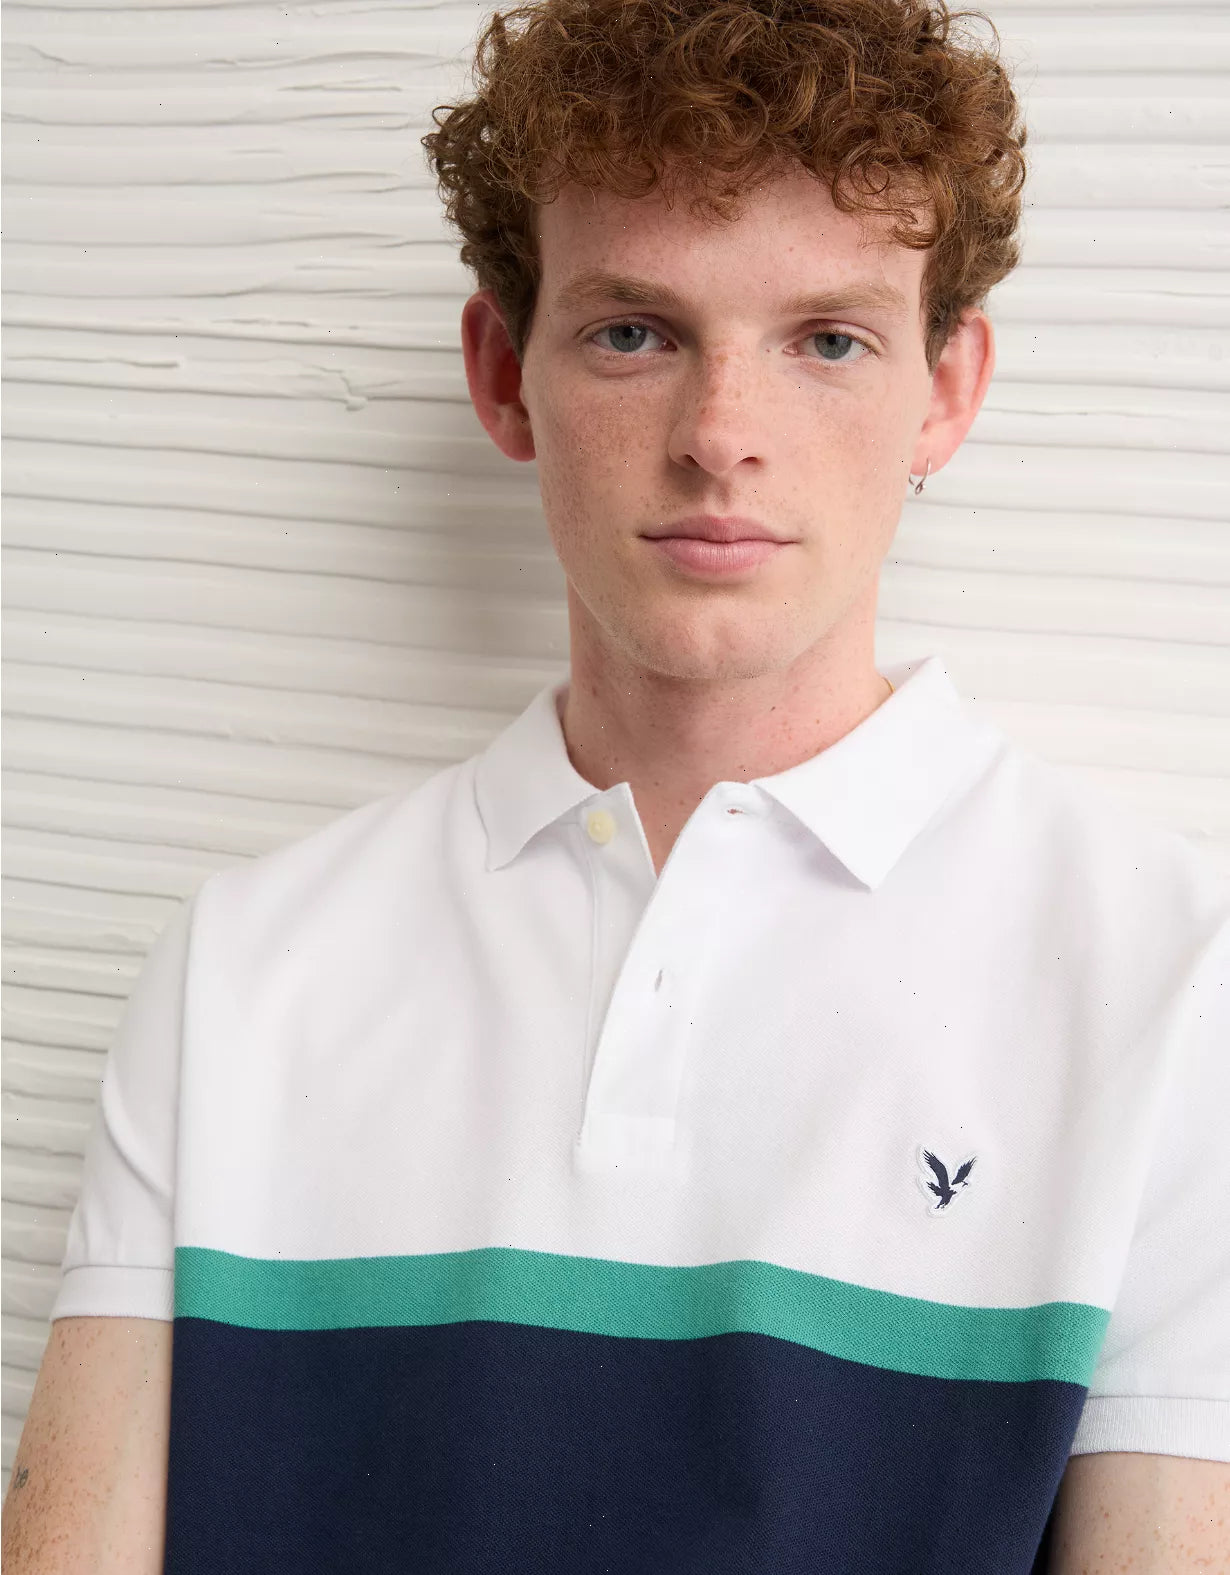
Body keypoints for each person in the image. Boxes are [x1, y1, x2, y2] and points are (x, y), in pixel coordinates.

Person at [4, 0, 1228, 1569]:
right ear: (504, 375)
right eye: (634, 333)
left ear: (944, 389)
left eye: (827, 340)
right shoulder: (244, 971)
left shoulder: (1169, 983)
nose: (722, 437)